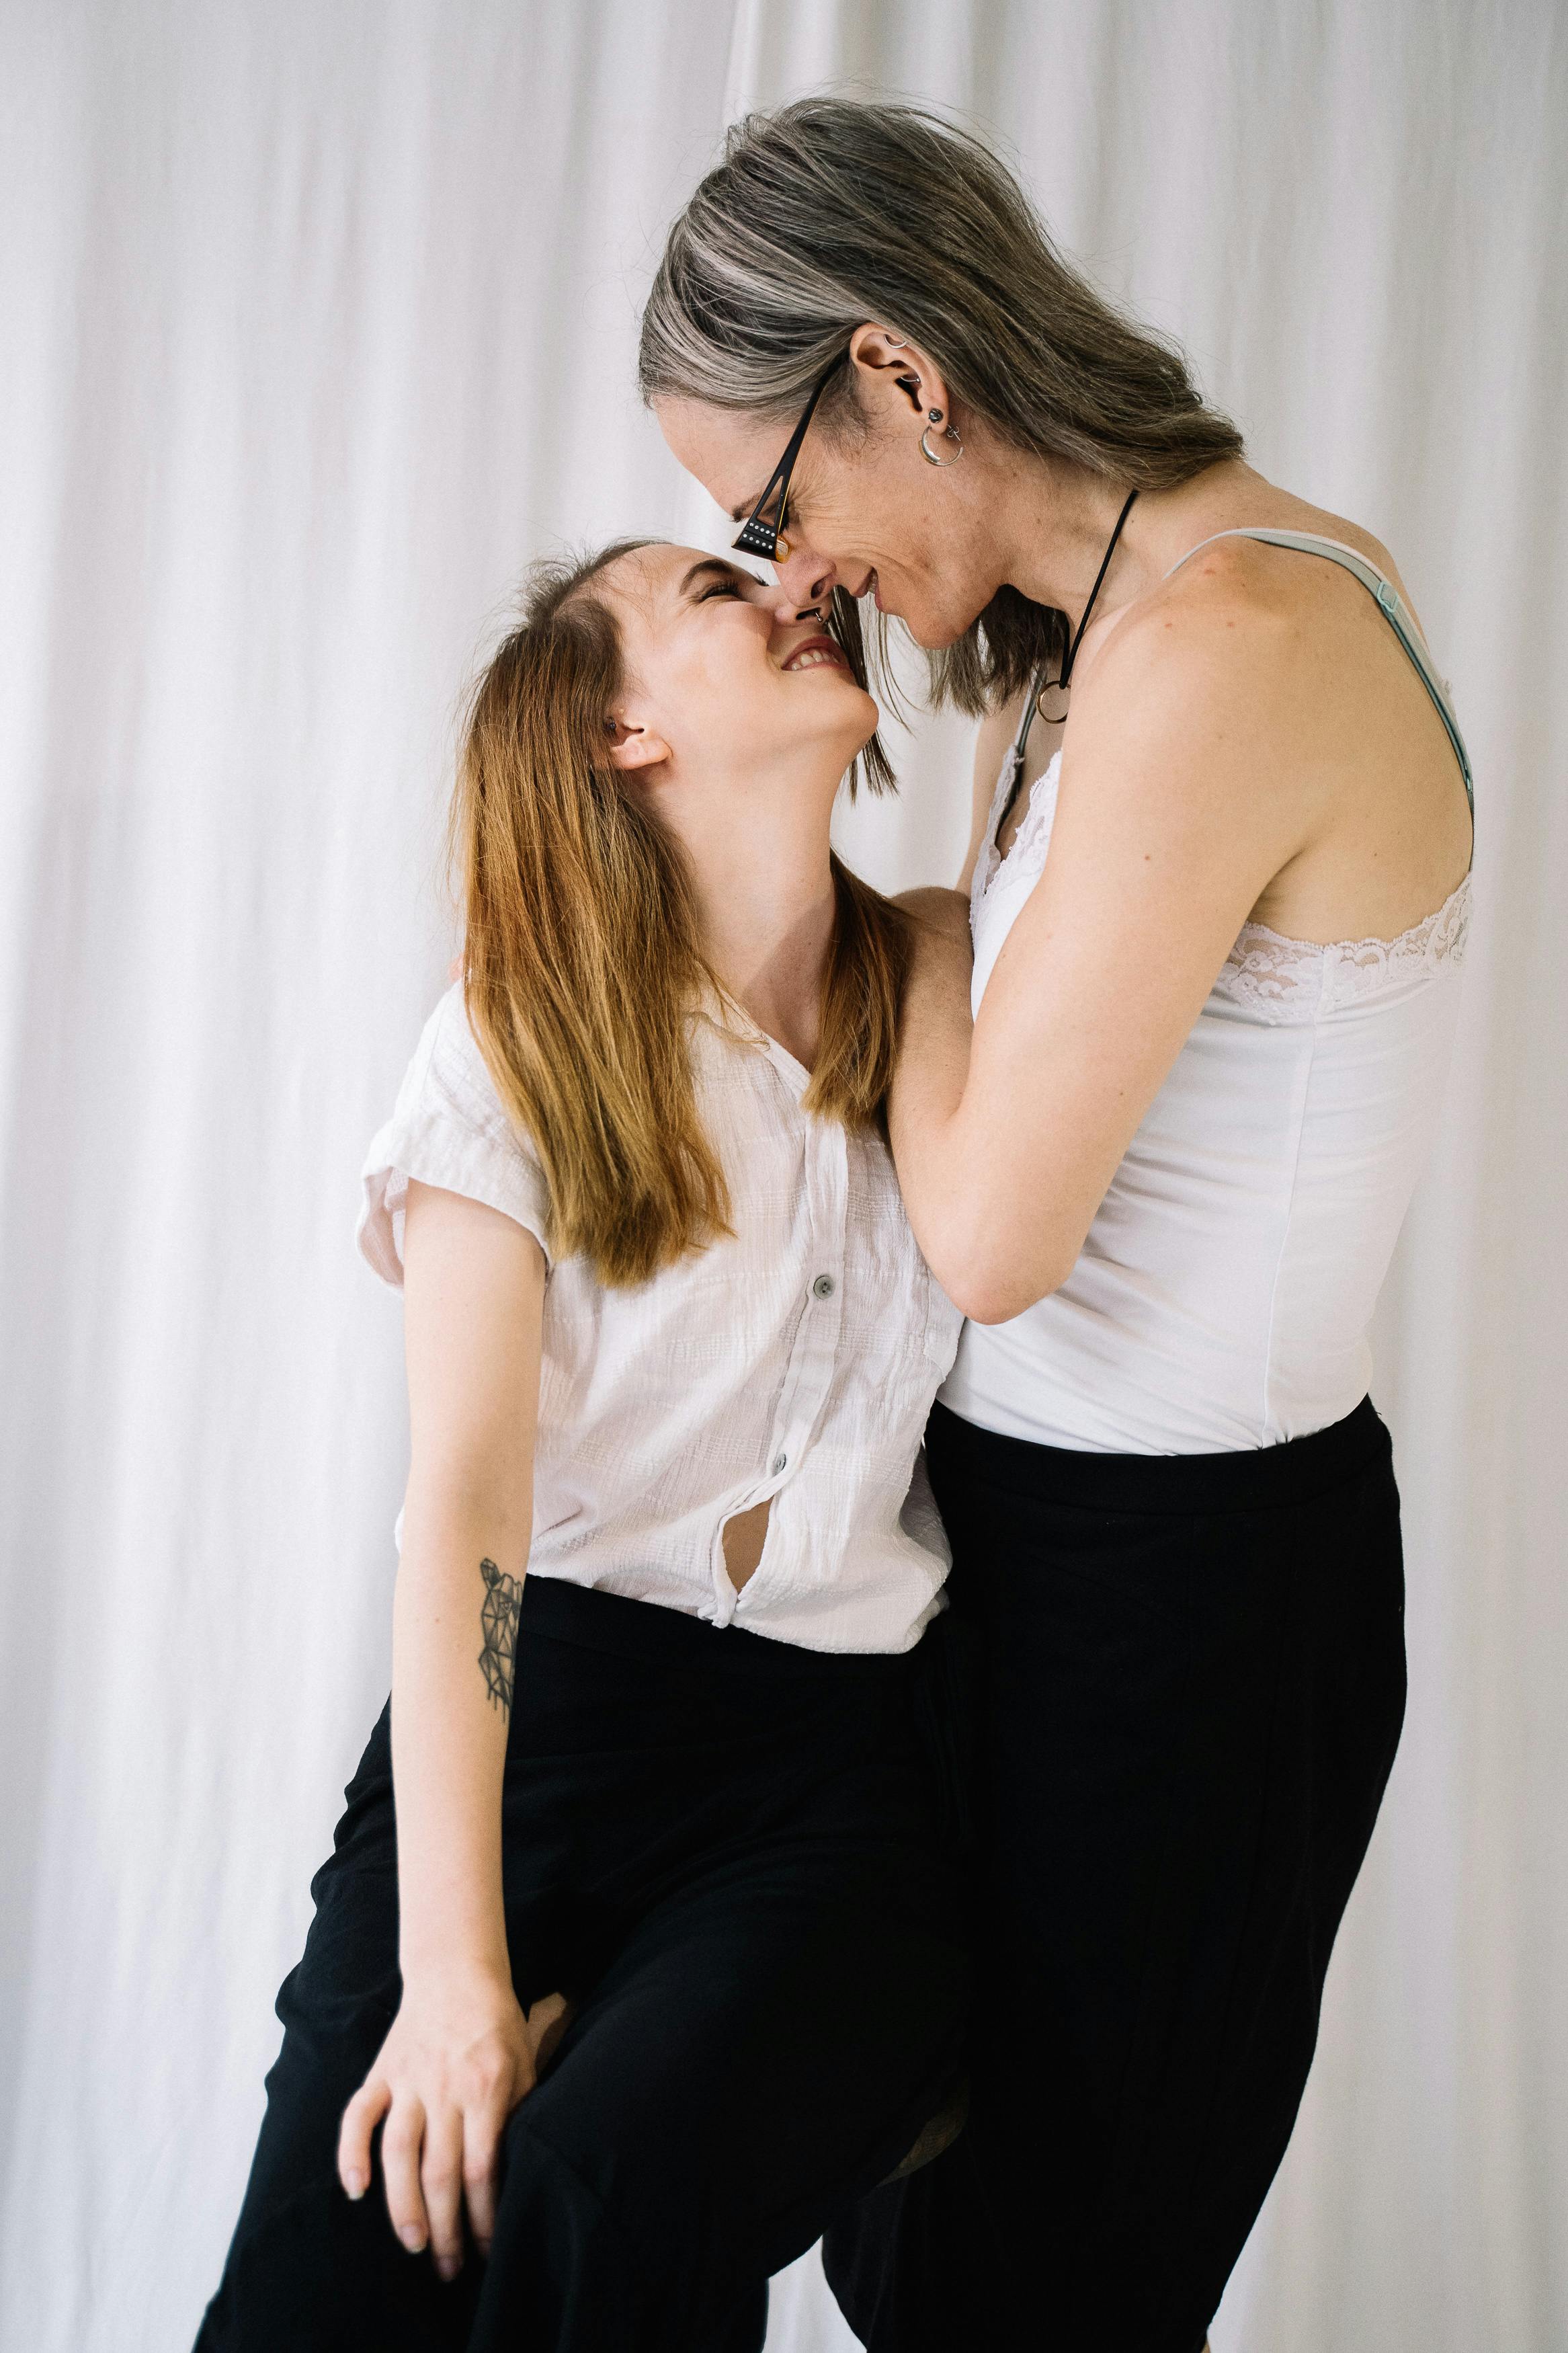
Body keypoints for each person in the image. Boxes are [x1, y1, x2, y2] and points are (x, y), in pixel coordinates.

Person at [642, 97, 1474, 2352]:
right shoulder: (1073, 640)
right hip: (1001, 1560)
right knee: (891, 2250)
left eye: (770, 500)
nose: (787, 575)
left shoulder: (1238, 637)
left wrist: (902, 939)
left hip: (1181, 1619)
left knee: (1040, 2297)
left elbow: (997, 1224)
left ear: (903, 372)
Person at [194, 539, 973, 2353]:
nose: (792, 580)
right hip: (536, 1734)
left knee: (599, 2196)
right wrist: (454, 1969)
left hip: (831, 1786)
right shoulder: (516, 1040)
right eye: (716, 585)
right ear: (624, 728)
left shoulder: (931, 974)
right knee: (336, 2287)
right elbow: (467, 1500)